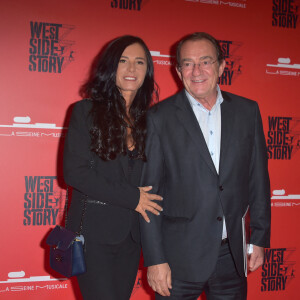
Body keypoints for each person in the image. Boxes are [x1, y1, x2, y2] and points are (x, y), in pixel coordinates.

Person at [140, 32, 271, 299]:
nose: (196, 70)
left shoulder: (248, 112)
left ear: (222, 66)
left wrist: (258, 238)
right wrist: (155, 259)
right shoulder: (158, 118)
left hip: (231, 257)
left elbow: (258, 179)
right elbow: (149, 196)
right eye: (188, 63)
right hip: (177, 259)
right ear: (178, 71)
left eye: (205, 61)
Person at [63, 35, 163, 300]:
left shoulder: (151, 121)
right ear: (110, 67)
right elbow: (76, 172)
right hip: (93, 235)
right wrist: (133, 198)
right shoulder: (85, 111)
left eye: (139, 62)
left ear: (147, 71)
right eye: (123, 61)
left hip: (131, 237)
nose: (132, 69)